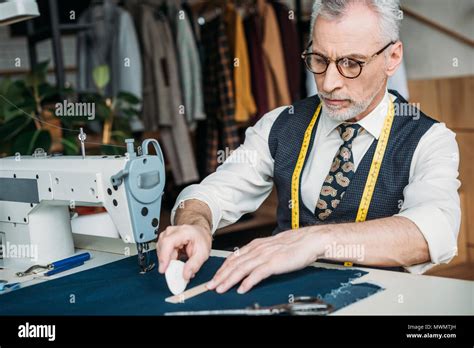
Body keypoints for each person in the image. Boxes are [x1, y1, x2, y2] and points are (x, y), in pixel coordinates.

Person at [157, 0, 460, 295]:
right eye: (319, 59)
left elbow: (433, 231)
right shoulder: (279, 124)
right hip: (284, 300)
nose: (328, 83)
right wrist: (194, 224)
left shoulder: (429, 139)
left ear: (392, 58)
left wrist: (316, 240)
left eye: (350, 63)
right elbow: (208, 195)